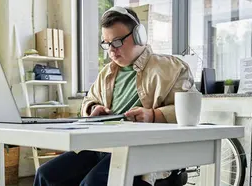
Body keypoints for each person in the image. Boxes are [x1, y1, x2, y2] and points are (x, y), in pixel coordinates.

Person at [33, 6, 196, 186]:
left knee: (93, 183)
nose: (111, 50)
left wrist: (153, 115)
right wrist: (94, 109)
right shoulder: (107, 72)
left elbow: (188, 112)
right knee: (46, 175)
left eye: (117, 42)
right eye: (106, 43)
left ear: (138, 36)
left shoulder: (171, 68)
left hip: (142, 149)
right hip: (102, 145)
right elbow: (89, 100)